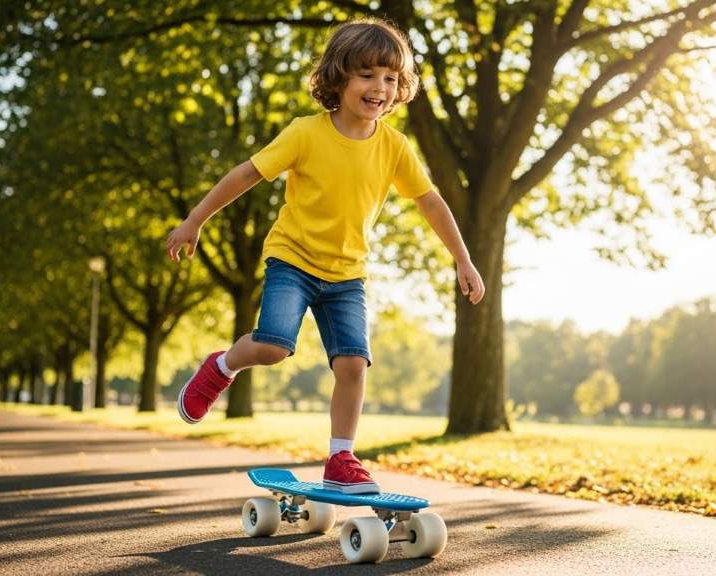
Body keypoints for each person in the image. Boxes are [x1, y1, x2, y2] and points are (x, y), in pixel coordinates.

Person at [165, 17, 484, 494]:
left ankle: (341, 457)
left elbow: (430, 201)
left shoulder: (395, 147)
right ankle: (221, 367)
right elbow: (247, 174)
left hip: (347, 274)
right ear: (338, 76)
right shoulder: (305, 133)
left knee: (353, 364)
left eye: (391, 78)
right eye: (368, 74)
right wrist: (195, 219)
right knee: (273, 346)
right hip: (292, 261)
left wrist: (463, 257)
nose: (380, 88)